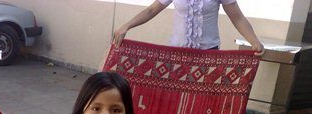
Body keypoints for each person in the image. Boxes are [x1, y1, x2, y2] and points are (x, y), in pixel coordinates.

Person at [112, 0, 263, 53]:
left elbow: (237, 17)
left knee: (203, 101)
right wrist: (127, 26)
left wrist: (254, 41)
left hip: (208, 53)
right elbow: (152, 10)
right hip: (177, 53)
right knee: (176, 99)